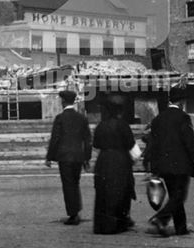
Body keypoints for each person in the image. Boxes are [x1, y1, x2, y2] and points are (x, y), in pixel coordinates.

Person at [146, 87, 194, 237]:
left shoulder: (158, 119)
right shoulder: (183, 117)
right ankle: (160, 219)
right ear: (182, 102)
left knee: (174, 196)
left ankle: (181, 228)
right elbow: (189, 142)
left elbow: (153, 145)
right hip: (181, 164)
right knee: (179, 196)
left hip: (164, 165)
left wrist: (154, 167)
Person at [45, 89, 92, 225]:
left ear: (63, 102)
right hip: (78, 156)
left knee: (68, 185)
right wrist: (86, 158)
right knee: (75, 183)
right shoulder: (82, 118)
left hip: (64, 157)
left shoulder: (60, 118)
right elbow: (87, 139)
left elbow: (55, 139)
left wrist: (49, 157)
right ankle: (76, 210)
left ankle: (73, 214)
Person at [91, 95, 137, 234]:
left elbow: (96, 144)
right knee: (120, 191)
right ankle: (119, 223)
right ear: (119, 111)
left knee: (103, 193)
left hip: (104, 160)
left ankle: (102, 225)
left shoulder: (101, 125)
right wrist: (135, 158)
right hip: (120, 160)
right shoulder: (123, 125)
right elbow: (131, 144)